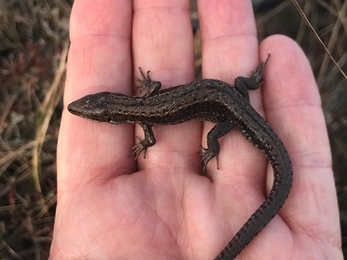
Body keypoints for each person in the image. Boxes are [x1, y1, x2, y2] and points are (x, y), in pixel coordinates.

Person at [50, 0, 343, 259]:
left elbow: (150, 138)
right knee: (238, 90)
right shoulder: (146, 101)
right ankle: (251, 82)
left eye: (93, 106)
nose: (86, 105)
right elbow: (155, 88)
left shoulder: (145, 119)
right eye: (91, 105)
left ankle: (216, 143)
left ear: (112, 117)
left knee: (214, 134)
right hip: (233, 96)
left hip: (230, 114)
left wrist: (156, 146)